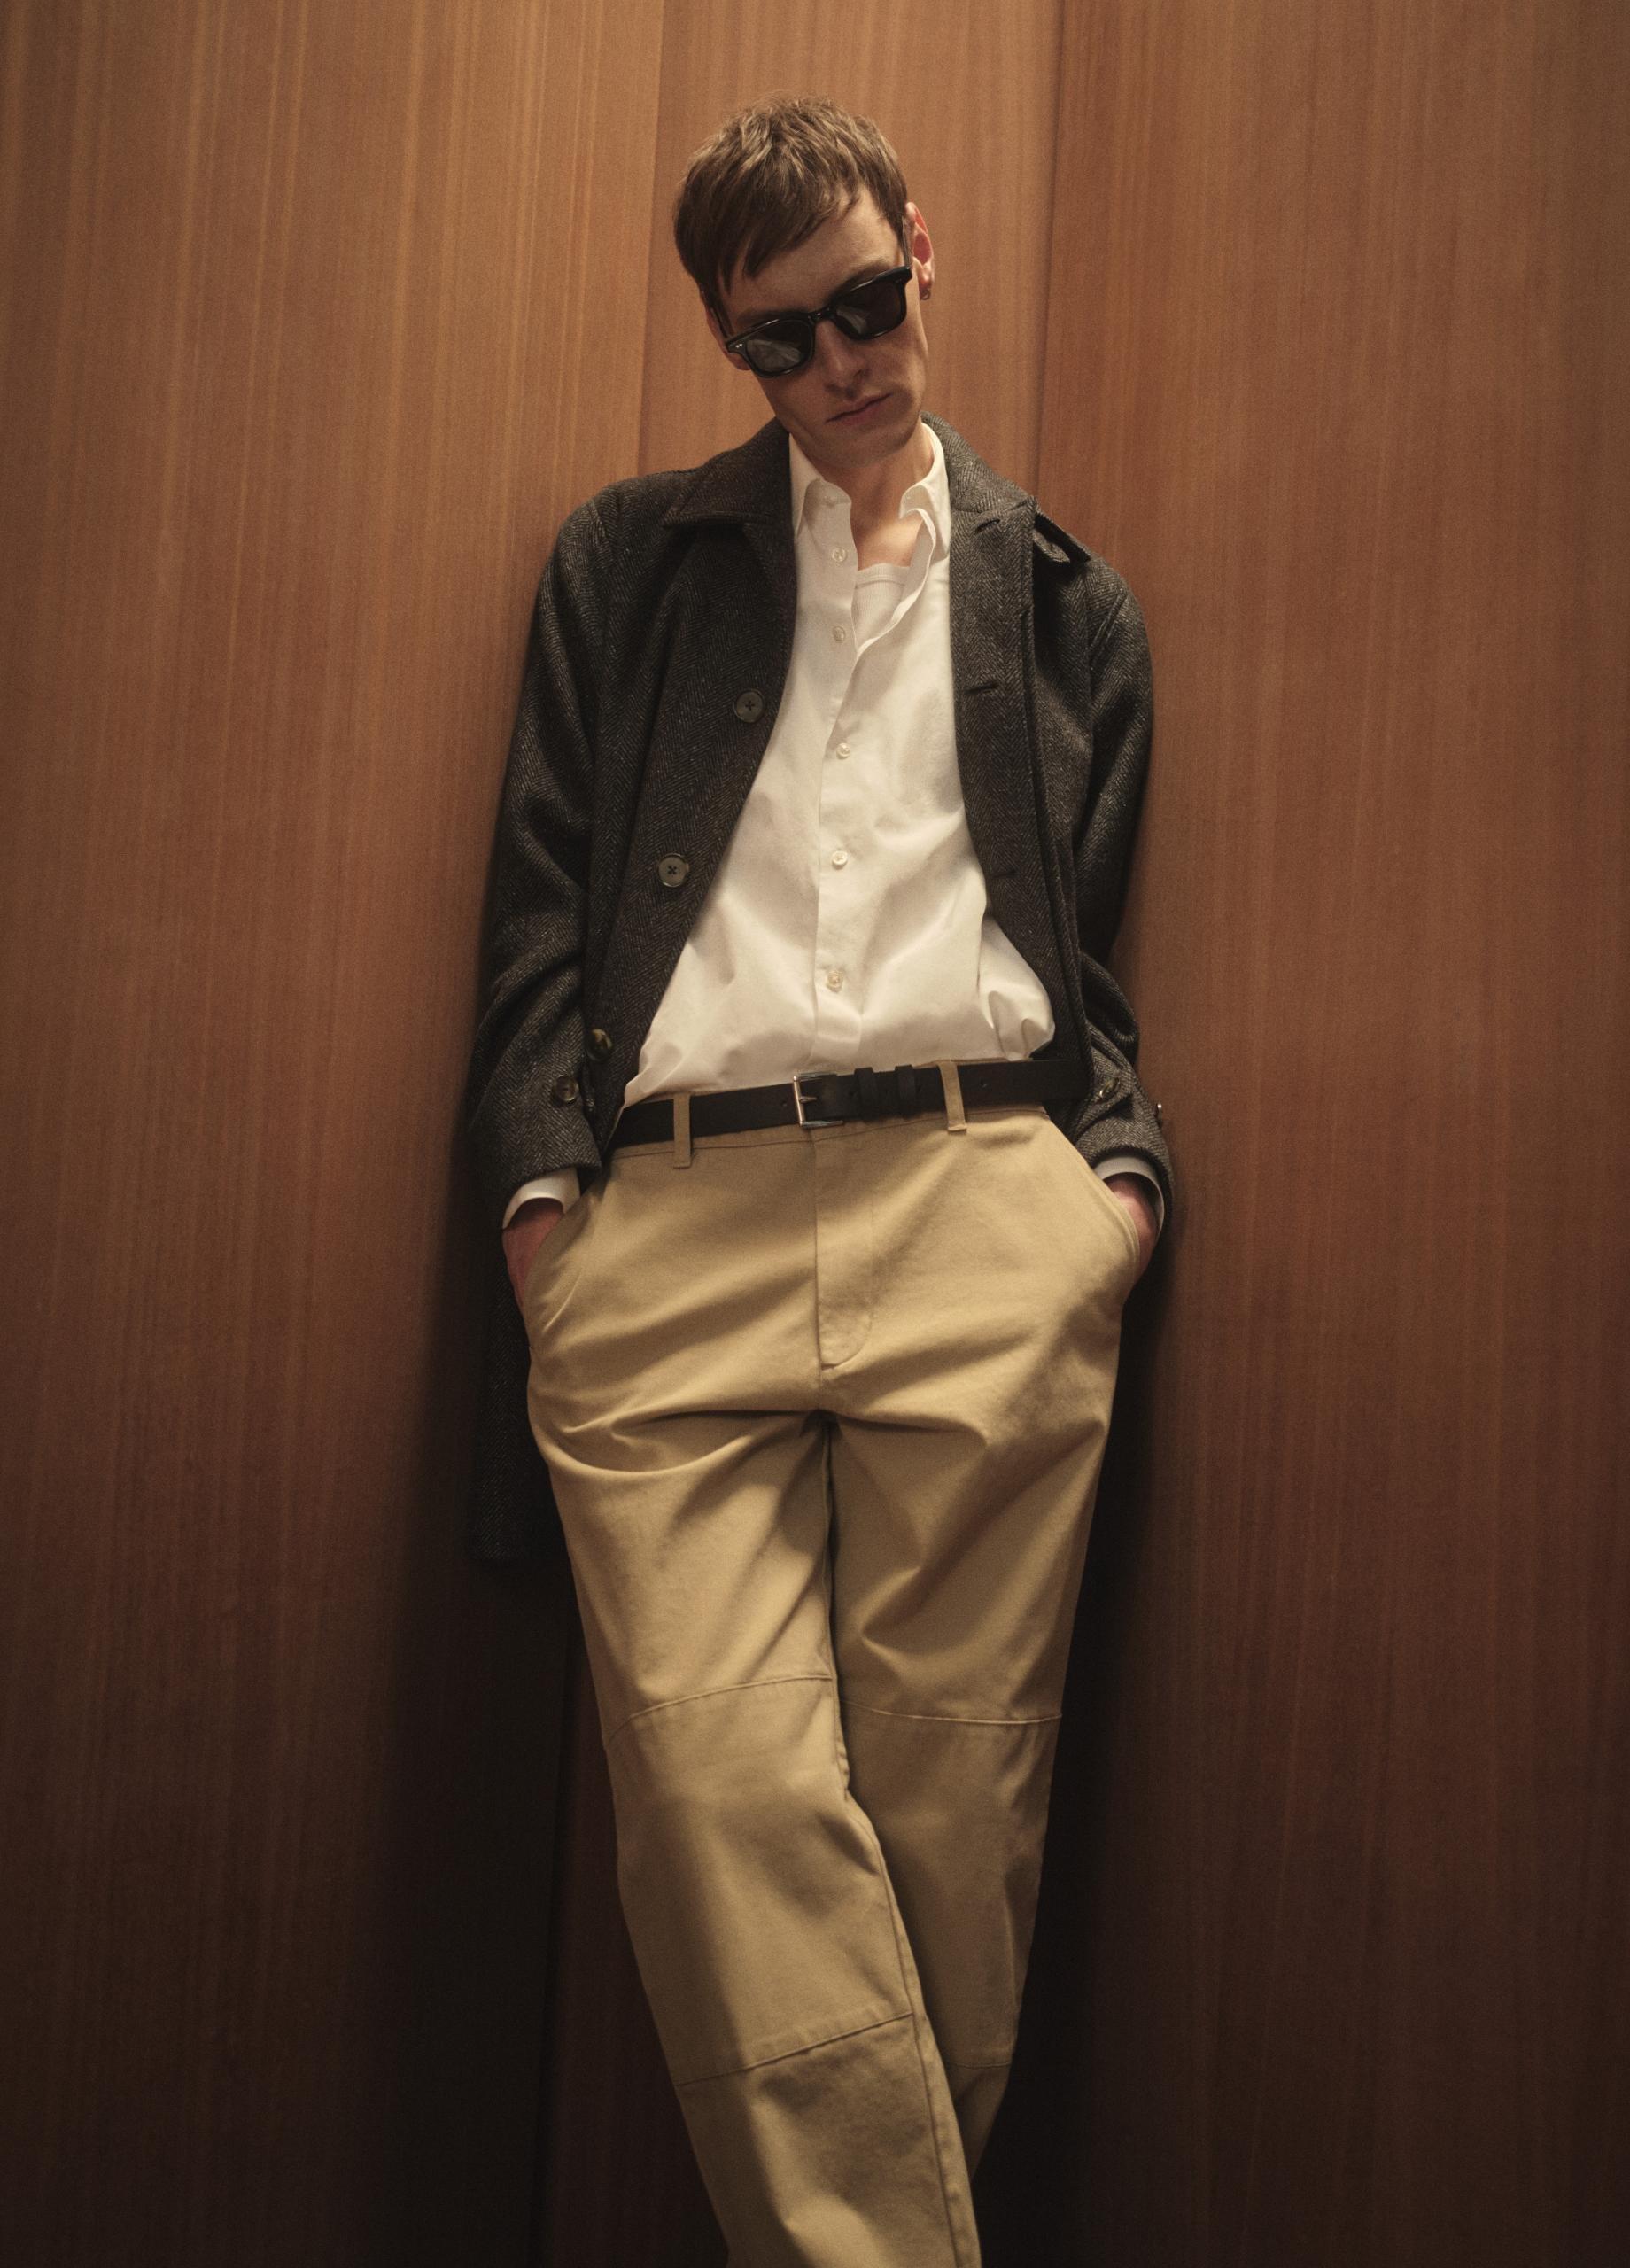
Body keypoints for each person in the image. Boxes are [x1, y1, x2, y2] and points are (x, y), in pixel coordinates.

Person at [465, 94, 1171, 2268]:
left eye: (863, 302)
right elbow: (540, 907)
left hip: (980, 1210)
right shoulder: (628, 563)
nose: (839, 361)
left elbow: (1083, 954)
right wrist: (545, 1212)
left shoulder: (1059, 597)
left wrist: (1104, 1191)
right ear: (730, 342)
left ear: (917, 249)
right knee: (714, 1790)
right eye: (779, 337)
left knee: (953, 1820)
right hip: (666, 1225)